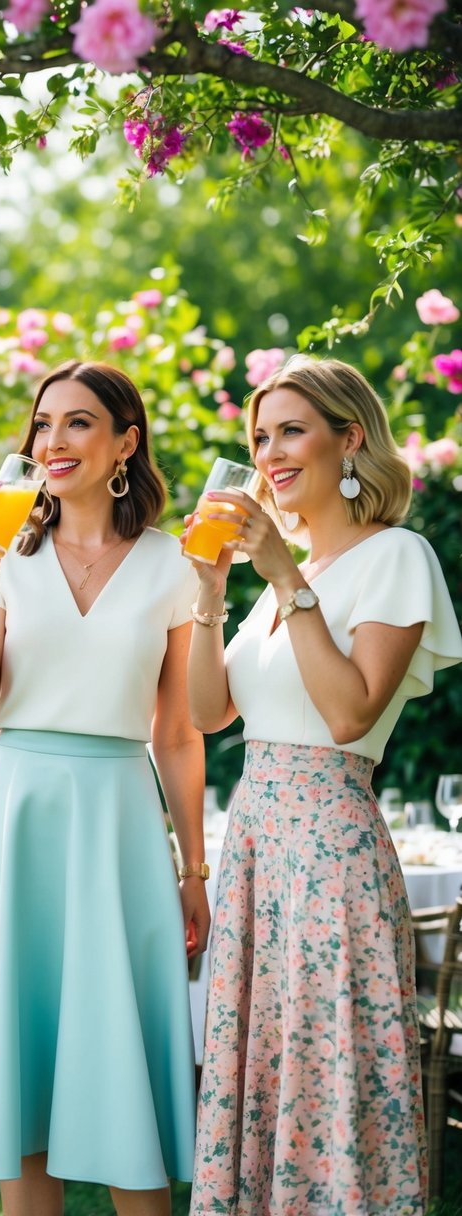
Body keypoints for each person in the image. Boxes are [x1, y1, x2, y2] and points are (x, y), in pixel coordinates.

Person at [185, 354, 462, 1215]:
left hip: (329, 852)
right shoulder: (275, 580)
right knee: (262, 1067)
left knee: (326, 1071)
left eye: (290, 431)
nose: (269, 453)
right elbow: (206, 713)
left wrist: (282, 577)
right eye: (259, 436)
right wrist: (207, 592)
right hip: (257, 849)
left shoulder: (394, 558)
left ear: (348, 439)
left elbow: (347, 715)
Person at [0, 360, 209, 1216]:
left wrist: (193, 869)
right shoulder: (5, 560)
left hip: (119, 819)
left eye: (78, 422)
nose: (53, 441)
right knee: (27, 1075)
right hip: (14, 818)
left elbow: (178, 730)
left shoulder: (173, 565)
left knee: (122, 1057)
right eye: (43, 423)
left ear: (125, 443)